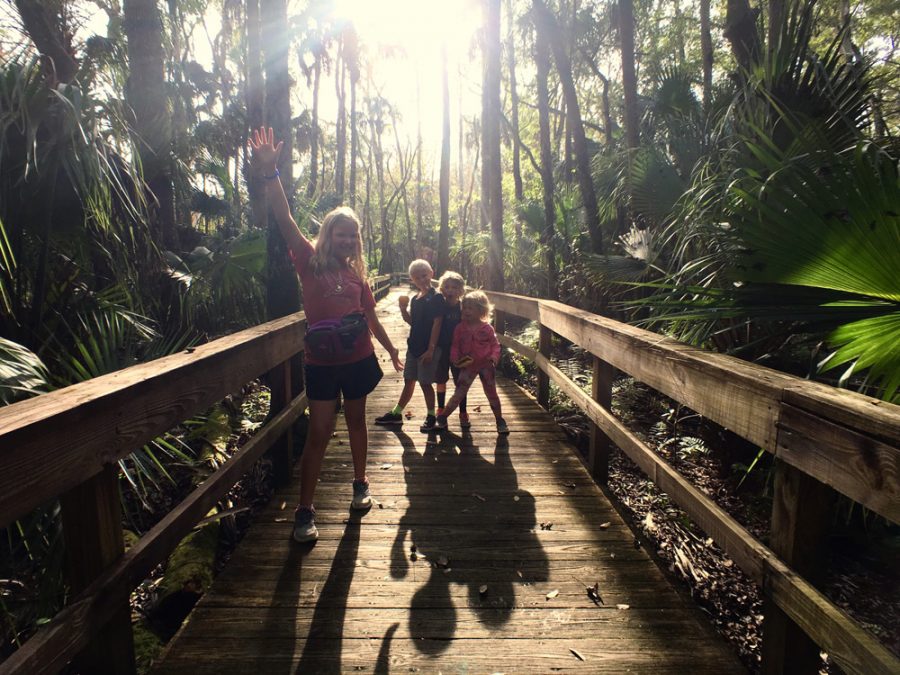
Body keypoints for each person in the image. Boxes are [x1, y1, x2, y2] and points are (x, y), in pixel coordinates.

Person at [248, 126, 403, 544]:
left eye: (354, 235)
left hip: (356, 361)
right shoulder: (309, 261)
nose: (348, 240)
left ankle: (360, 483)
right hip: (320, 365)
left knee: (356, 421)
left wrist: (391, 351)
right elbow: (284, 219)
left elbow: (371, 318)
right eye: (342, 233)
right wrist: (270, 173)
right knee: (318, 432)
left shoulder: (358, 278)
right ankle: (305, 510)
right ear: (328, 234)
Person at [374, 259, 445, 432]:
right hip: (414, 347)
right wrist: (403, 309)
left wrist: (431, 349)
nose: (421, 279)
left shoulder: (436, 298)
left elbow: (438, 323)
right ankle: (397, 414)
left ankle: (431, 416)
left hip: (428, 349)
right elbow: (413, 322)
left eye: (424, 275)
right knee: (409, 380)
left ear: (431, 274)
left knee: (425, 383)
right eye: (417, 277)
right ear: (412, 279)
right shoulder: (416, 298)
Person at [435, 291, 508, 434]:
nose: (466, 311)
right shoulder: (460, 328)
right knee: (459, 392)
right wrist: (454, 358)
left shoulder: (487, 328)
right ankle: (443, 417)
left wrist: (494, 357)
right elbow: (455, 345)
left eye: (471, 308)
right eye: (465, 307)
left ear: (481, 310)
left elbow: (495, 345)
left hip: (486, 365)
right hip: (468, 365)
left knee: (491, 393)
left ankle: (500, 420)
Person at [432, 271, 469, 427]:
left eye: (454, 287)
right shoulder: (439, 306)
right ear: (441, 288)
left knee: (460, 382)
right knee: (440, 379)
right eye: (446, 287)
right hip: (441, 349)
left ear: (461, 290)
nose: (450, 290)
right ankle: (440, 409)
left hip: (459, 350)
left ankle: (463, 412)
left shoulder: (463, 308)